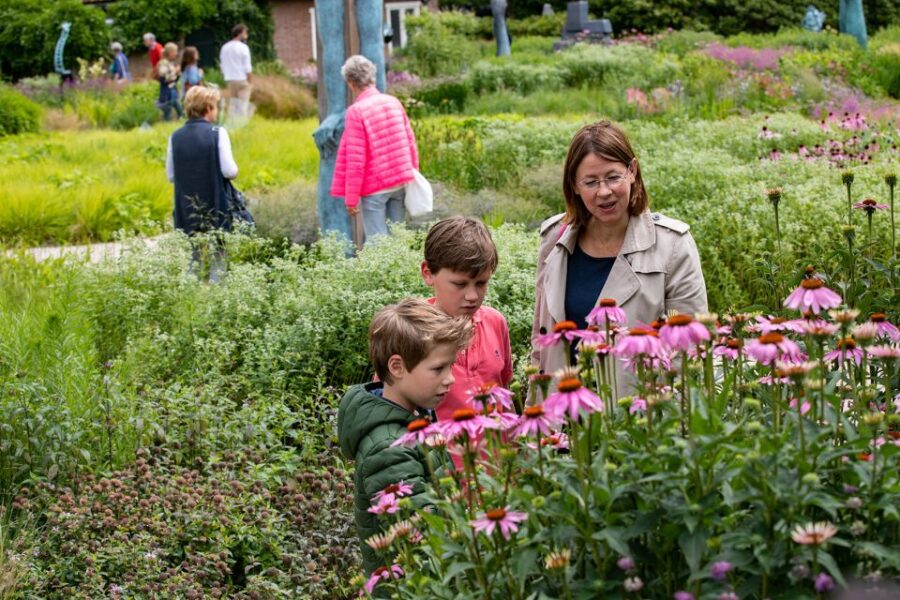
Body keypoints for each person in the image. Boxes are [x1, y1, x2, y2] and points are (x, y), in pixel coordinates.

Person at [531, 120, 707, 393]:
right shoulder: (555, 238)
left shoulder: (672, 245)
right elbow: (541, 339)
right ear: (574, 186)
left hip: (637, 420)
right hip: (563, 418)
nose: (604, 192)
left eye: (613, 177)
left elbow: (690, 348)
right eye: (590, 182)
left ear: (632, 171)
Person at [338, 298, 470, 575]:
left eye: (450, 366)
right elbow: (419, 537)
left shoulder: (413, 419)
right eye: (438, 368)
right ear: (397, 367)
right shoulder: (388, 448)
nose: (450, 379)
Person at [422, 217, 513, 424]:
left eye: (481, 283)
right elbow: (391, 408)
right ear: (428, 273)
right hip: (440, 454)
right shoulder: (410, 332)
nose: (472, 296)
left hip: (497, 454)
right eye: (460, 284)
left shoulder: (495, 322)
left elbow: (504, 391)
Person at [330, 55, 419, 245]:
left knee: (378, 243)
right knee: (399, 239)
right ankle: (403, 274)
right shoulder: (393, 102)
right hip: (400, 182)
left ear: (351, 82)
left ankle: (384, 276)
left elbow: (356, 159)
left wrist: (351, 198)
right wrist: (413, 176)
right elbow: (411, 142)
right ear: (372, 77)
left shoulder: (356, 111)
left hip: (375, 187)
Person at [165, 86, 238, 282]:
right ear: (207, 107)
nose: (216, 110)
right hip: (215, 202)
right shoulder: (217, 133)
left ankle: (192, 298)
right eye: (215, 106)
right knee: (219, 254)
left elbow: (171, 175)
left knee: (193, 257)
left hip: (186, 206)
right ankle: (215, 296)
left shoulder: (175, 136)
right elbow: (229, 171)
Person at [219, 24, 253, 119]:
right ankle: (241, 125)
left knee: (233, 106)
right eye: (245, 32)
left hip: (230, 79)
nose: (246, 35)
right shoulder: (243, 47)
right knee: (243, 105)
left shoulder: (225, 47)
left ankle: (232, 123)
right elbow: (247, 66)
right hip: (242, 79)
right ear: (240, 33)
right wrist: (250, 81)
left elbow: (222, 64)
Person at [156, 42, 182, 121]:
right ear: (170, 52)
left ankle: (180, 118)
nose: (176, 53)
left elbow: (174, 79)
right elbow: (164, 79)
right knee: (168, 113)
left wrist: (178, 74)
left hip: (172, 91)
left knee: (179, 110)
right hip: (167, 93)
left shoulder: (170, 63)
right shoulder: (163, 63)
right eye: (175, 51)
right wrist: (175, 72)